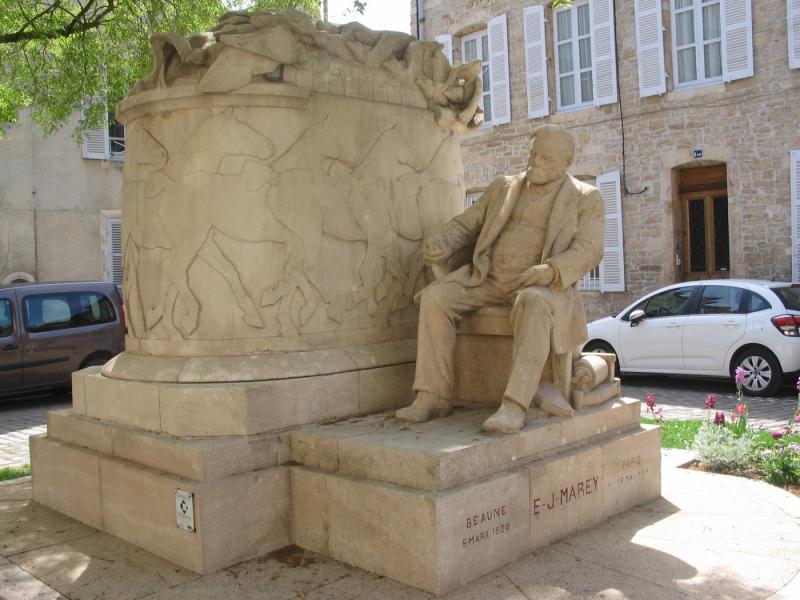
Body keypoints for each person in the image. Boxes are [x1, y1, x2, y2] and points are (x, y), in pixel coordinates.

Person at [396, 124, 605, 434]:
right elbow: (468, 223)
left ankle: (514, 405)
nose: (535, 163)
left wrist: (550, 270)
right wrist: (444, 241)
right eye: (533, 154)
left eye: (546, 159)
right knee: (435, 298)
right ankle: (433, 395)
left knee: (532, 302)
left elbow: (589, 250)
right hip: (487, 279)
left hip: (542, 287)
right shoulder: (503, 187)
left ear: (566, 163)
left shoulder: (585, 198)